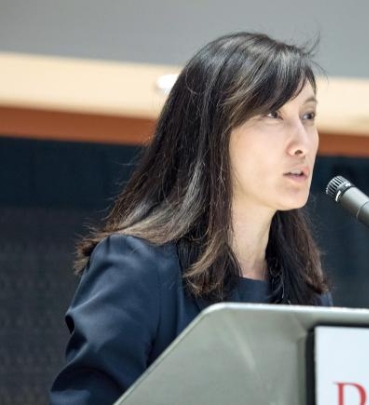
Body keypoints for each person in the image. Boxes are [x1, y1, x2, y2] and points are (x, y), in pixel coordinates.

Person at [49, 31, 331, 404]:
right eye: (272, 114)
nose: (302, 142)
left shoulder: (310, 294)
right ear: (211, 132)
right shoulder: (137, 266)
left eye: (308, 116)